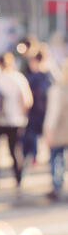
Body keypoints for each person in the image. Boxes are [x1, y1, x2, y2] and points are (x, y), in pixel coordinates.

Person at [0, 52, 33, 188]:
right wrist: (22, 115)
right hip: (14, 121)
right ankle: (18, 178)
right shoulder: (19, 78)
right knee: (15, 151)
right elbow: (27, 100)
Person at [43, 59, 68, 201]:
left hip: (59, 130)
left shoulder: (57, 89)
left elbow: (52, 114)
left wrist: (48, 131)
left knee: (55, 158)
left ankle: (56, 185)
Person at [23, 51, 53, 166]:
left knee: (37, 136)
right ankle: (36, 157)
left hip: (39, 112)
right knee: (36, 137)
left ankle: (36, 157)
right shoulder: (47, 76)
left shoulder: (41, 76)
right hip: (40, 111)